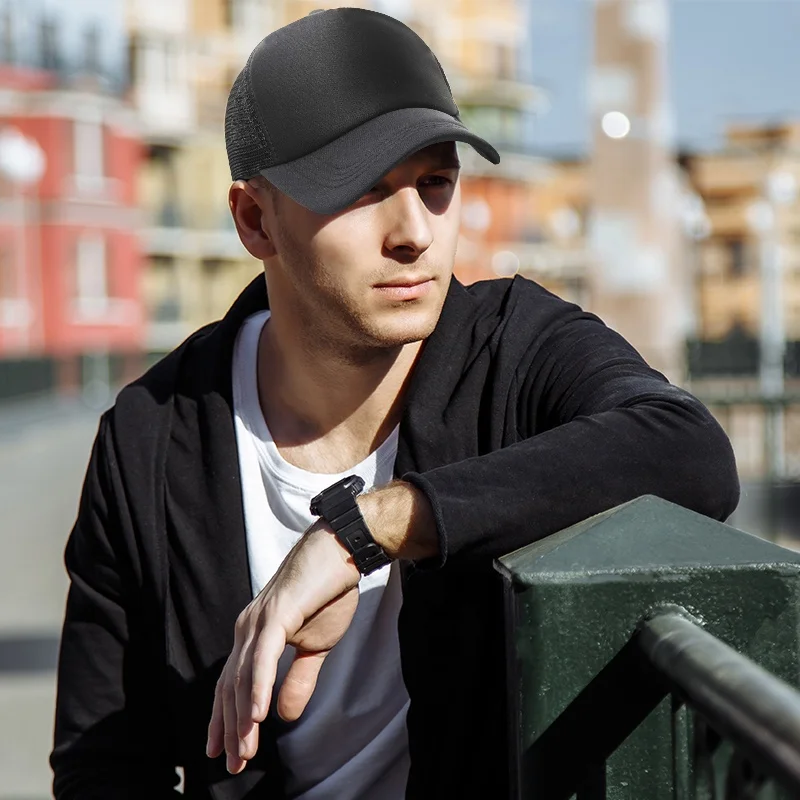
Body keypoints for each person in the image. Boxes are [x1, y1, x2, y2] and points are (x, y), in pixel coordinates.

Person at [50, 8, 739, 800]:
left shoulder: (513, 347)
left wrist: (363, 533)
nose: (415, 233)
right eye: (364, 190)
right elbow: (104, 763)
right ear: (254, 219)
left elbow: (690, 451)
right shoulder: (151, 438)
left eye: (435, 184)